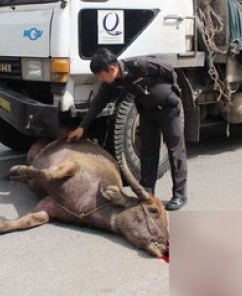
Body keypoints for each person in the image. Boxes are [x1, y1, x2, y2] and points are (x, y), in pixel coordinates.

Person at [66, 48, 188, 211]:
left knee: (175, 150)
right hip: (147, 111)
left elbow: (169, 70)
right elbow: (98, 103)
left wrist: (170, 93)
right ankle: (147, 192)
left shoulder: (140, 64)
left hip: (168, 109)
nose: (100, 79)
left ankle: (180, 195)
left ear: (111, 69)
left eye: (101, 75)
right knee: (148, 151)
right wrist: (82, 127)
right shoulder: (114, 82)